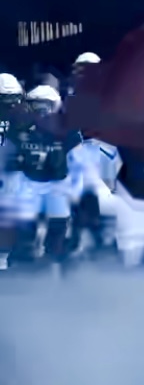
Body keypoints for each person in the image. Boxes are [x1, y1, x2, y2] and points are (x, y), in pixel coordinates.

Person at [0, 86, 82, 272]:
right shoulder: (20, 128)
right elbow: (7, 155)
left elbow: (78, 161)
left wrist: (74, 187)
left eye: (44, 105)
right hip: (28, 181)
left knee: (59, 220)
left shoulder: (66, 130)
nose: (40, 110)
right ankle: (22, 256)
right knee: (23, 220)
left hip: (57, 183)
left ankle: (55, 258)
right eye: (36, 105)